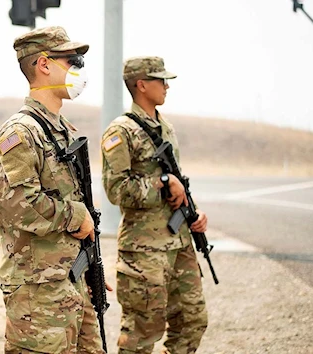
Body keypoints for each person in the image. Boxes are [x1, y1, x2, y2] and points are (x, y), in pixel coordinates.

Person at [0, 26, 109, 354]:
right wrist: (77, 216)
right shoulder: (19, 134)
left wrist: (89, 264)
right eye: (72, 60)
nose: (77, 70)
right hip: (37, 290)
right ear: (44, 65)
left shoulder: (63, 131)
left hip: (70, 278)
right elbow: (20, 206)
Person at [101, 56, 209, 354]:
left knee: (192, 321)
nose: (166, 86)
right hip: (143, 250)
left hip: (179, 242)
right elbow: (116, 189)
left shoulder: (166, 127)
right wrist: (162, 183)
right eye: (161, 80)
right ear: (141, 85)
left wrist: (194, 211)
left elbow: (178, 178)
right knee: (141, 331)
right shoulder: (120, 131)